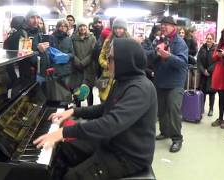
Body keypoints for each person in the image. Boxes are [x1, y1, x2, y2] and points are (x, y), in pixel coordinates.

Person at [33, 38, 157, 180]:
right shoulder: (122, 81)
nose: (106, 63)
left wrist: (64, 131)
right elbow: (106, 108)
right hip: (111, 143)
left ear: (125, 61)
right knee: (63, 150)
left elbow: (110, 124)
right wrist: (74, 111)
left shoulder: (140, 89)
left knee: (71, 177)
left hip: (127, 156)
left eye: (110, 58)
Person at [153, 16, 188, 153]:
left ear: (174, 27)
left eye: (166, 24)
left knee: (174, 110)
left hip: (175, 83)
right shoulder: (160, 40)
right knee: (161, 110)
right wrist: (156, 53)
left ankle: (177, 139)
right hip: (160, 81)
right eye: (162, 24)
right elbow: (150, 57)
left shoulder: (180, 43)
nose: (163, 27)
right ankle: (165, 132)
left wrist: (168, 56)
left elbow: (182, 63)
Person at [98, 17, 130, 102]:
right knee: (105, 100)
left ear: (124, 29)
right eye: (116, 28)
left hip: (123, 76)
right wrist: (107, 65)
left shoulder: (130, 42)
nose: (118, 30)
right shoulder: (108, 41)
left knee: (120, 101)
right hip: (108, 76)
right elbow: (101, 57)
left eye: (120, 28)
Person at [71, 19, 96, 106]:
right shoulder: (73, 39)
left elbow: (92, 53)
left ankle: (90, 110)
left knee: (89, 89)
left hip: (89, 68)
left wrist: (83, 63)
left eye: (84, 26)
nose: (82, 28)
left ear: (87, 27)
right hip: (77, 68)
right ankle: (77, 109)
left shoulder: (92, 38)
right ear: (78, 28)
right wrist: (78, 62)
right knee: (78, 90)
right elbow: (71, 52)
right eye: (80, 26)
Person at [211, 26, 224, 128]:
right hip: (219, 73)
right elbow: (213, 57)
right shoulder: (219, 44)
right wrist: (219, 55)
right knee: (221, 97)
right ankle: (220, 118)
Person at [197, 33, 217, 117]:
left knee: (212, 93)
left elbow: (216, 62)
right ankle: (202, 108)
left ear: (213, 40)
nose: (208, 40)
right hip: (203, 75)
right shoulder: (202, 48)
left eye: (210, 38)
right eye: (207, 38)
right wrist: (203, 71)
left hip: (212, 75)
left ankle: (211, 109)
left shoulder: (216, 49)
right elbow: (199, 61)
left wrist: (209, 71)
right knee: (203, 92)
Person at [49, 19, 74, 87]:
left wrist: (66, 56)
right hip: (54, 69)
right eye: (60, 26)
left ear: (67, 28)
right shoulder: (51, 37)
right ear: (57, 27)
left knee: (65, 92)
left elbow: (72, 53)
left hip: (65, 70)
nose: (63, 28)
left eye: (65, 26)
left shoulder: (68, 39)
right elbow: (47, 52)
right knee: (55, 92)